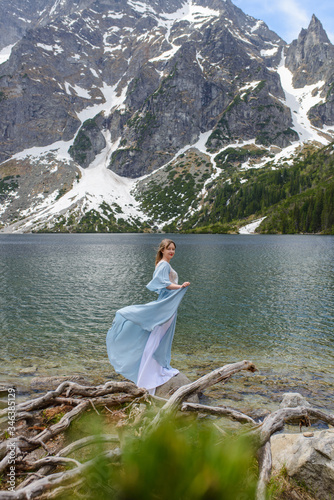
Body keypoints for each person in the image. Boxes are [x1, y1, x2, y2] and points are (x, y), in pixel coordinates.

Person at [106, 239, 190, 395]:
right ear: (162, 250)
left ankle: (153, 370)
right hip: (166, 306)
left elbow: (161, 284)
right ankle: (152, 373)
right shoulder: (164, 265)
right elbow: (164, 283)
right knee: (158, 337)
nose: (172, 251)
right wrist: (181, 286)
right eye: (169, 249)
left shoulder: (162, 264)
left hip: (166, 304)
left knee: (157, 336)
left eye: (173, 249)